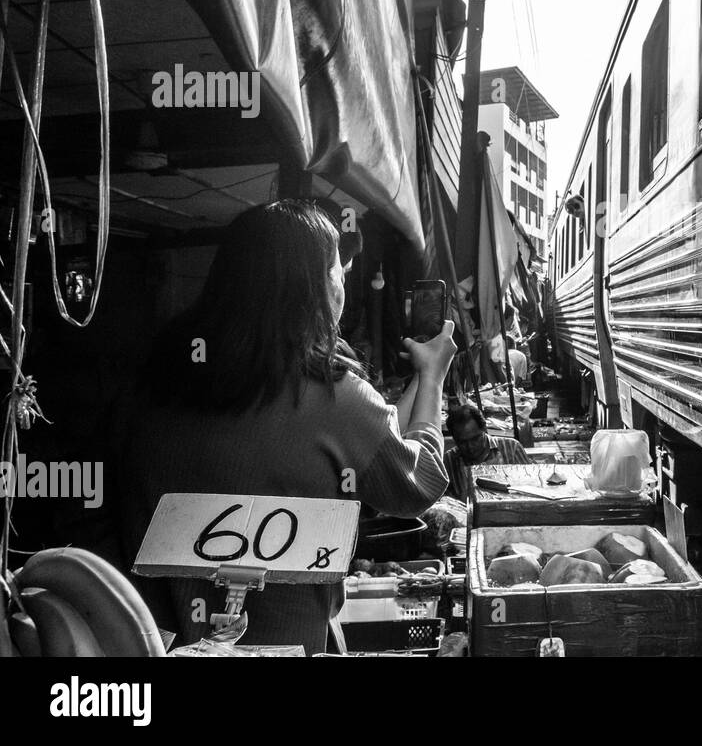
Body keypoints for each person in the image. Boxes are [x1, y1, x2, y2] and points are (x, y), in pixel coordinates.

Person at [115, 199, 454, 655]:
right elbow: (419, 483)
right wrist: (432, 378)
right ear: (312, 288)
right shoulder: (336, 397)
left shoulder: (157, 381)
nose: (342, 286)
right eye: (338, 272)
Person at [442, 402, 531, 501]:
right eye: (462, 442)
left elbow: (529, 487)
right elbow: (445, 501)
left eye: (475, 439)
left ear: (484, 428)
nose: (470, 446)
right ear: (454, 439)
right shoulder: (449, 460)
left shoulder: (512, 448)